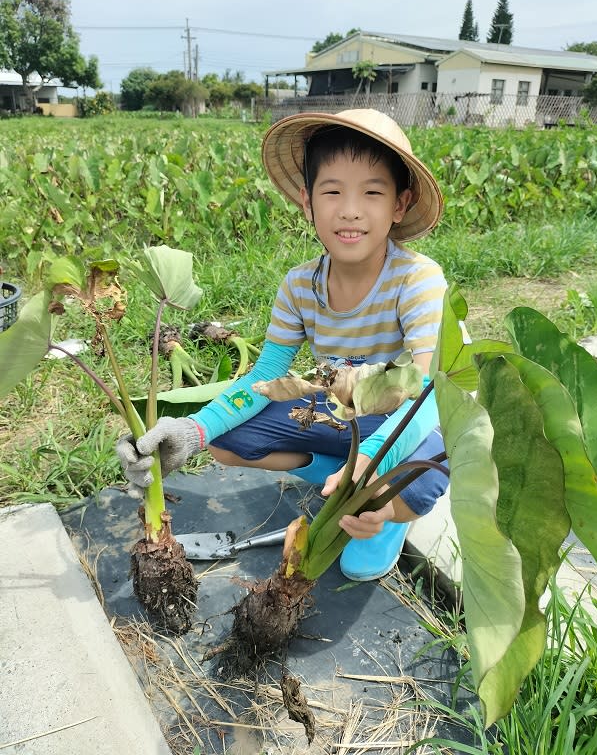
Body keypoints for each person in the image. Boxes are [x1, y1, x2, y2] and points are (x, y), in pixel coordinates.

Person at [117, 108, 449, 581]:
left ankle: (383, 513)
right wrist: (191, 432)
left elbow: (425, 391)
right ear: (307, 200)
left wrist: (375, 460)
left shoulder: (417, 280)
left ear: (399, 204)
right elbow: (263, 378)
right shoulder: (299, 285)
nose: (350, 210)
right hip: (344, 413)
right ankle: (340, 476)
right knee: (227, 440)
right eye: (332, 191)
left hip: (408, 421)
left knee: (421, 483)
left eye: (372, 192)